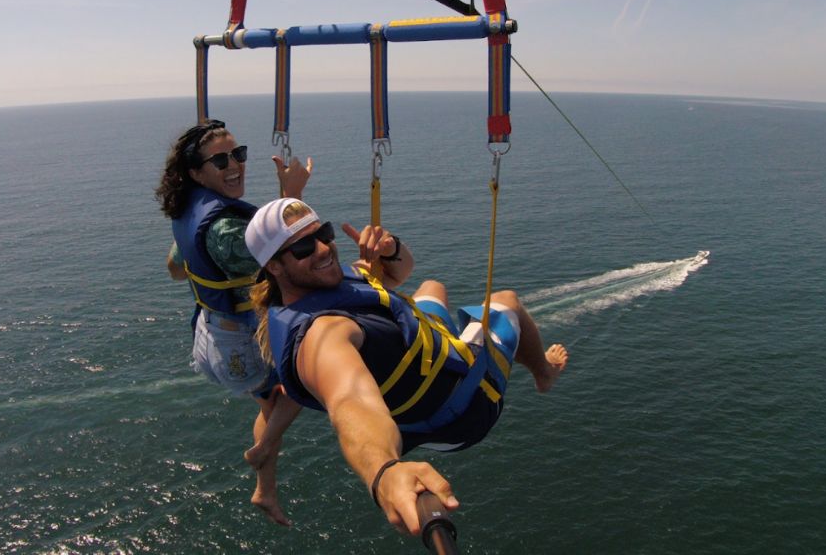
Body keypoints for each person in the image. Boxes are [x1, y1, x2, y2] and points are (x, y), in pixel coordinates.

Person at [244, 197, 569, 537]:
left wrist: (390, 248)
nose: (324, 248)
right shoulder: (321, 335)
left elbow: (400, 271)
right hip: (462, 409)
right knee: (506, 301)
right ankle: (544, 374)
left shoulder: (333, 281)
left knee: (432, 288)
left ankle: (457, 339)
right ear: (275, 267)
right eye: (304, 247)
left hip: (427, 352)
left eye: (323, 233)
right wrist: (383, 470)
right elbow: (350, 400)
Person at [156, 119, 311, 526]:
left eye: (238, 155)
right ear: (195, 172)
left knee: (272, 403)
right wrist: (291, 198)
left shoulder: (192, 209)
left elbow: (175, 268)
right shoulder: (224, 227)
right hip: (241, 345)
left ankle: (265, 490)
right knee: (308, 375)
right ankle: (263, 450)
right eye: (220, 159)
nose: (234, 164)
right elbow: (292, 258)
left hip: (212, 335)